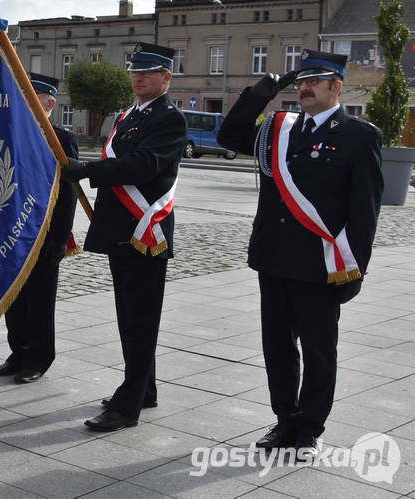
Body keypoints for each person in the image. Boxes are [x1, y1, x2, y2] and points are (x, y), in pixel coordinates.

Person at [217, 50, 383, 452]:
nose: (304, 88)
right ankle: (284, 420)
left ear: (336, 87)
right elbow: (229, 138)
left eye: (315, 81)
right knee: (276, 346)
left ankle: (308, 428)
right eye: (301, 82)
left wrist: (353, 269)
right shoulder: (278, 127)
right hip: (273, 257)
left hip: (321, 264)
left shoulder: (361, 136)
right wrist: (257, 96)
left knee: (319, 351)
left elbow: (365, 211)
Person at [62, 43, 187, 432]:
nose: (139, 77)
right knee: (129, 315)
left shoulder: (169, 119)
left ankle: (127, 404)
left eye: (148, 72)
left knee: (140, 319)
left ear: (166, 77)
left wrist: (87, 170)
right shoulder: (130, 116)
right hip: (123, 229)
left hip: (144, 232)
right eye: (135, 71)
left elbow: (145, 165)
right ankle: (144, 387)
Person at [0, 73, 78, 382]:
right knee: (14, 298)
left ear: (50, 103)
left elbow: (68, 193)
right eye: (23, 95)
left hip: (44, 232)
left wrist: (60, 237)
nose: (24, 101)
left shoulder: (61, 138)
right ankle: (18, 353)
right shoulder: (14, 133)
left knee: (39, 300)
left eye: (31, 96)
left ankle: (38, 358)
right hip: (13, 230)